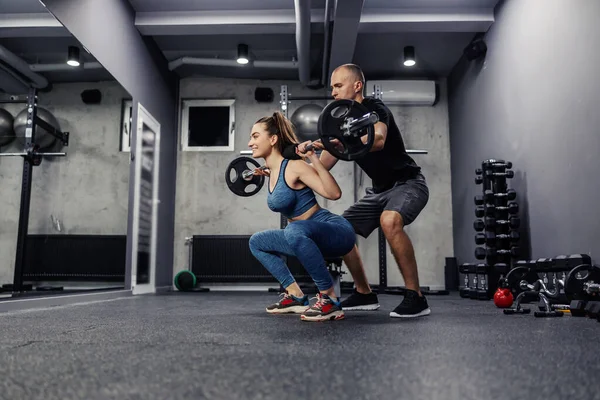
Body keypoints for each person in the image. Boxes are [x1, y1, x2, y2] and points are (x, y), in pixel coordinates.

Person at [298, 63, 431, 318]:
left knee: (390, 221)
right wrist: (289, 168)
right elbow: (322, 167)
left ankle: (416, 297)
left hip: (408, 183)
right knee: (342, 230)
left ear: (357, 85)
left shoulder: (374, 108)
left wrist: (341, 142)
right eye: (332, 88)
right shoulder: (339, 124)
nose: (333, 93)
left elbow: (378, 140)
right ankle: (364, 293)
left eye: (338, 86)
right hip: (378, 192)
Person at [247, 112, 356, 322]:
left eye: (255, 136)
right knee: (257, 242)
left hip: (335, 231)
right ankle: (296, 296)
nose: (250, 142)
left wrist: (313, 157)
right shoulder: (274, 170)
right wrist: (268, 173)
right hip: (301, 236)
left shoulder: (295, 166)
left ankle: (330, 300)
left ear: (272, 139)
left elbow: (334, 194)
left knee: (293, 230)